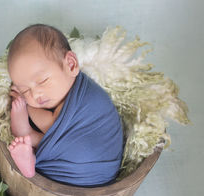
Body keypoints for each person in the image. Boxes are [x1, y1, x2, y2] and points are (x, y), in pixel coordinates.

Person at [6, 23, 124, 187]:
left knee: (54, 136)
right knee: (47, 139)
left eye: (42, 81)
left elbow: (52, 125)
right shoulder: (64, 94)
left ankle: (26, 143)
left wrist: (26, 105)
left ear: (71, 65)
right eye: (24, 90)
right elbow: (57, 134)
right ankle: (26, 145)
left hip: (91, 162)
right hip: (91, 165)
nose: (35, 95)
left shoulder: (87, 97)